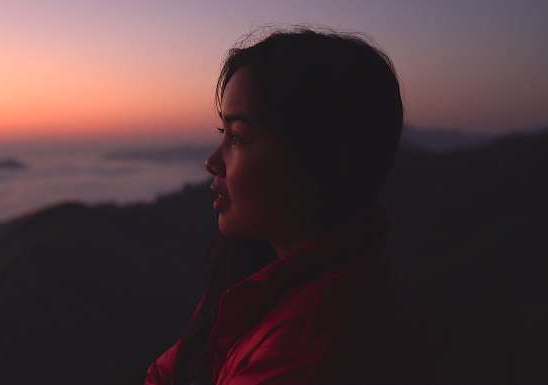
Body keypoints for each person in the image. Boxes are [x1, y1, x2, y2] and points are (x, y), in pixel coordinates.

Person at [144, 27, 437, 385]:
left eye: (237, 137)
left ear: (325, 161)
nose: (212, 161)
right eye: (223, 134)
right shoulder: (271, 284)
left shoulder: (312, 348)